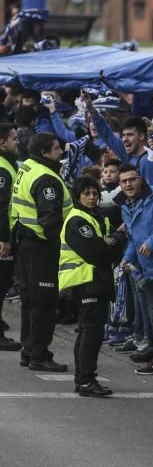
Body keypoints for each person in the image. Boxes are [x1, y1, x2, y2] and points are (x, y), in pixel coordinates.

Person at [57, 177, 128, 397]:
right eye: (86, 193)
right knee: (91, 333)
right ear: (78, 196)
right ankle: (86, 380)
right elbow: (98, 253)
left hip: (96, 281)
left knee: (89, 332)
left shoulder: (97, 217)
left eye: (95, 193)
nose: (91, 197)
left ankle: (84, 379)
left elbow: (110, 250)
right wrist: (114, 239)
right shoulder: (78, 220)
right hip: (86, 281)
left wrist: (110, 242)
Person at [11, 132, 70, 372]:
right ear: (45, 152)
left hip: (27, 242)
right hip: (42, 246)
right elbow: (51, 221)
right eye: (57, 148)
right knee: (43, 302)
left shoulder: (28, 167)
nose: (61, 152)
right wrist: (63, 251)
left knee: (30, 300)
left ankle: (29, 350)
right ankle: (39, 354)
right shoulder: (46, 178)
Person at [116, 163, 153, 374]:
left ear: (140, 179)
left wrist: (152, 240)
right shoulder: (124, 205)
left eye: (132, 179)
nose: (128, 184)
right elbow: (132, 238)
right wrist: (127, 258)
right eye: (124, 181)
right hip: (145, 268)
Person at [0, 123, 20, 349]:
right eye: (13, 139)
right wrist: (4, 238)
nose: (18, 142)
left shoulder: (7, 164)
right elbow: (1, 206)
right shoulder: (3, 168)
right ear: (2, 142)